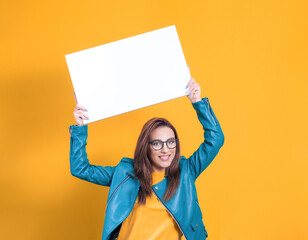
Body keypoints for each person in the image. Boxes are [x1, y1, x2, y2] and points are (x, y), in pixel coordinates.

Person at [69, 76, 224, 240]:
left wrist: (197, 102)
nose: (166, 149)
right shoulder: (125, 174)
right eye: (157, 143)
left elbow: (216, 139)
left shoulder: (186, 171)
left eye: (170, 142)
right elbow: (80, 168)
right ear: (146, 147)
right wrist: (80, 127)